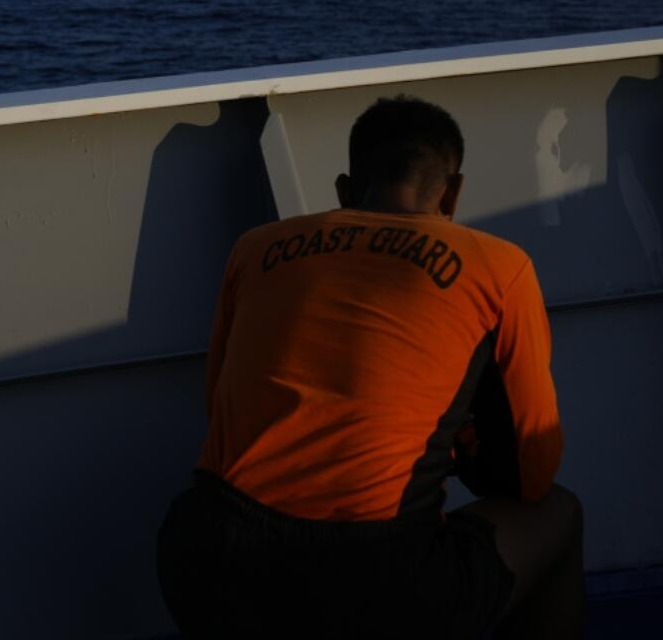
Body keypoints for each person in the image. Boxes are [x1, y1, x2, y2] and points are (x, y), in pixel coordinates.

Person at [157, 95, 585, 639]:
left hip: (209, 559)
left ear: (343, 189)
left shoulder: (255, 248)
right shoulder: (500, 267)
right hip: (376, 583)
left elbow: (218, 408)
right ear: (452, 193)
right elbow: (533, 469)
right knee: (558, 514)